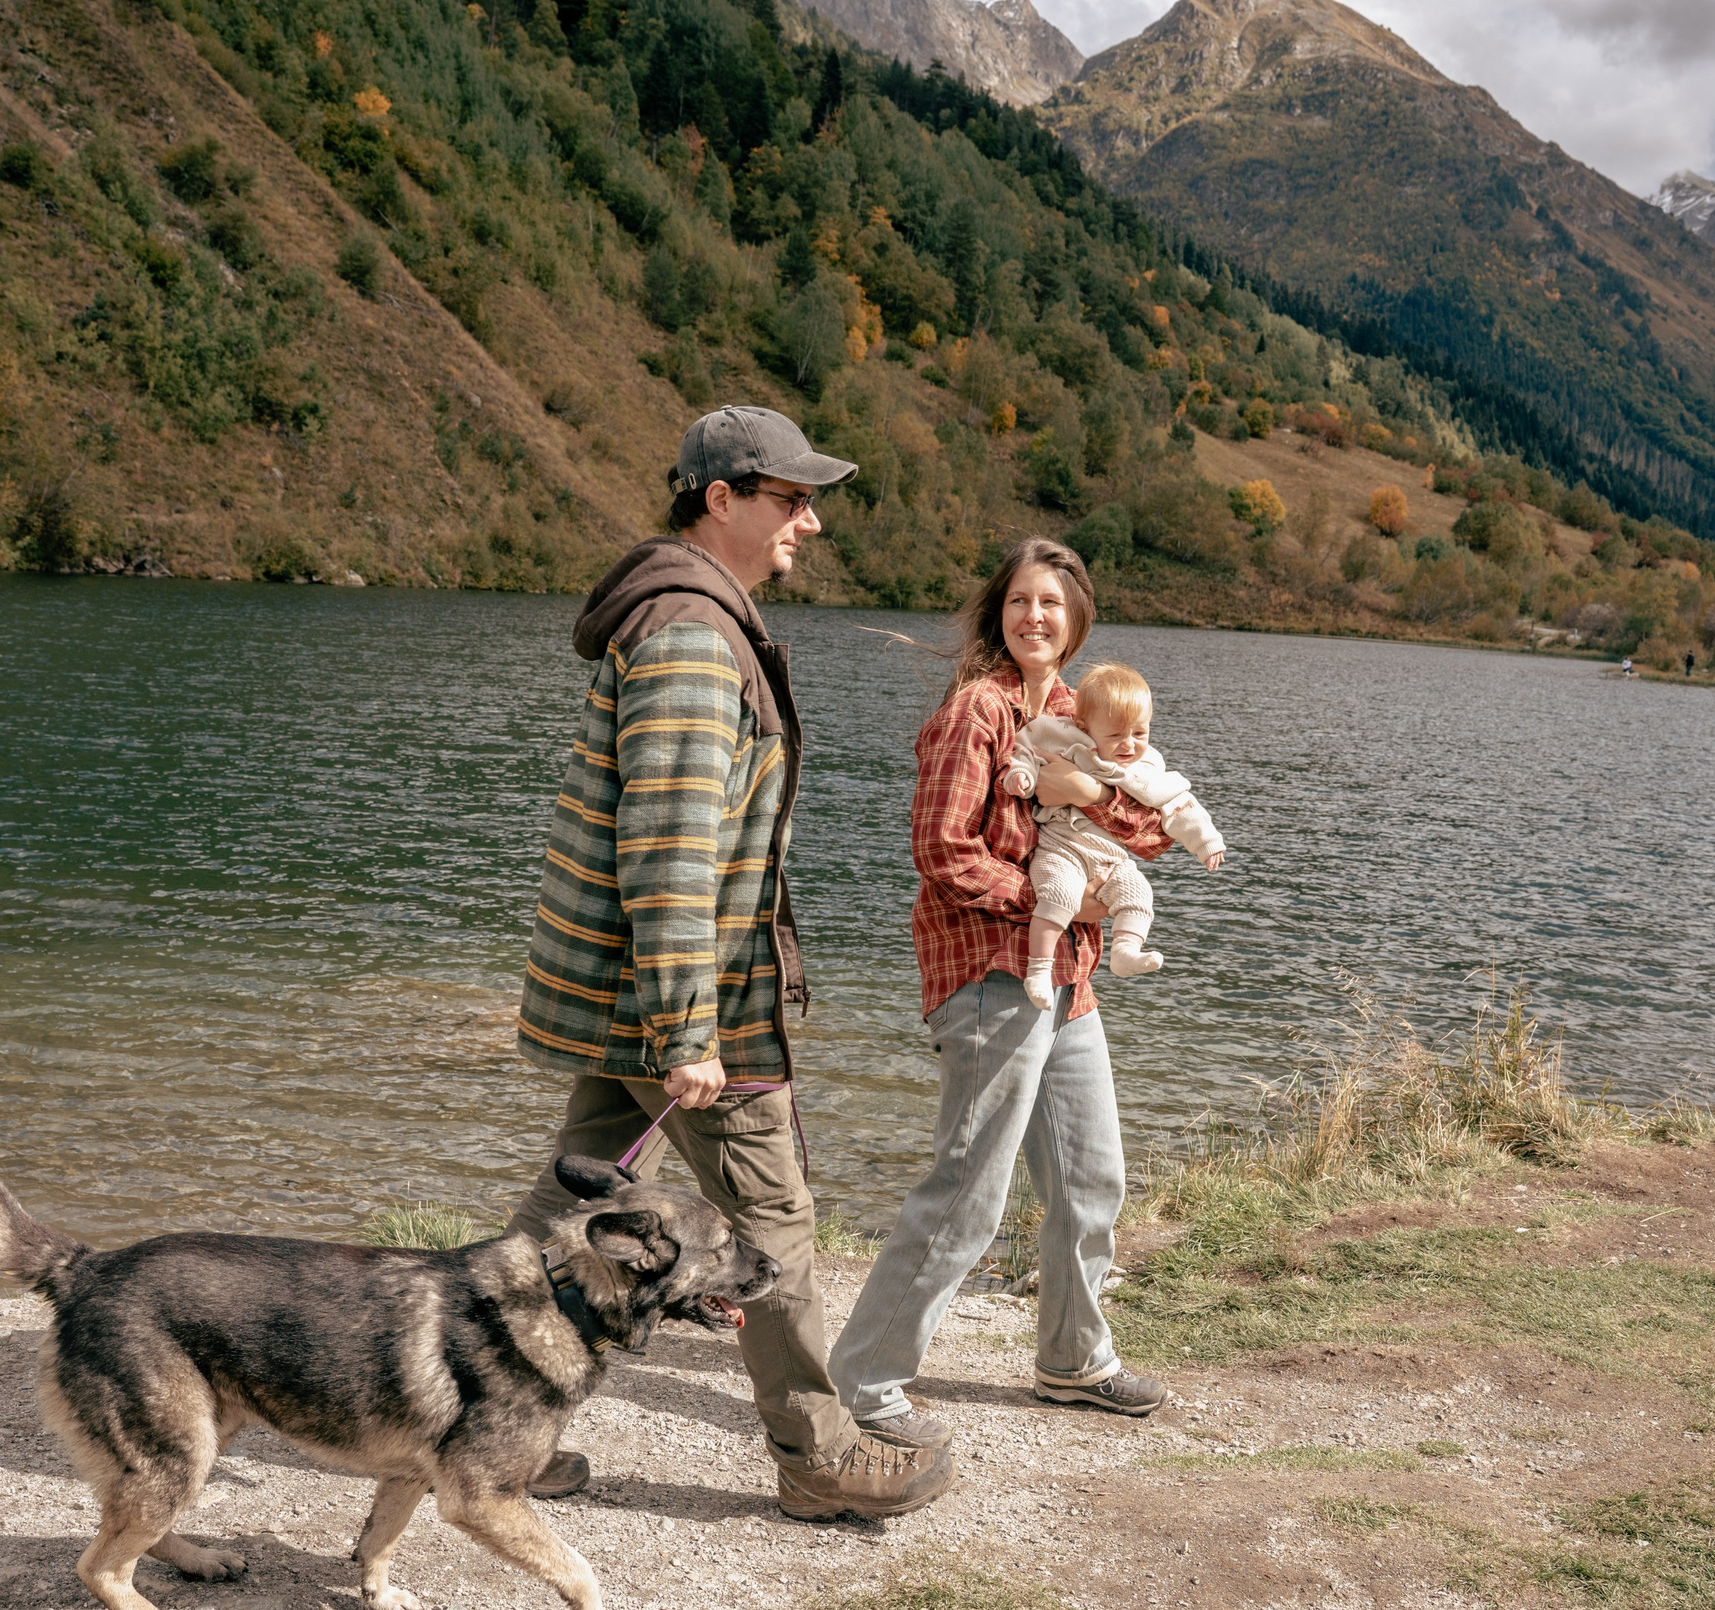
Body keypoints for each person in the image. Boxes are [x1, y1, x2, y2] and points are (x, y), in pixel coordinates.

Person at [505, 405, 959, 1522]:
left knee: (566, 1224)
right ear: (720, 498)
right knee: (772, 1229)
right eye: (789, 497)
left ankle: (484, 1424)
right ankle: (817, 1457)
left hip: (637, 993)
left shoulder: (695, 622)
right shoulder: (694, 642)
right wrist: (685, 1033)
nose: (809, 519)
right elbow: (668, 855)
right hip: (679, 1002)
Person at [828, 539, 1177, 1444]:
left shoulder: (1079, 711)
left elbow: (1154, 829)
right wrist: (1058, 899)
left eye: (1053, 604)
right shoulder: (973, 711)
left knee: (1093, 1178)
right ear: (1000, 612)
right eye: (1021, 600)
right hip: (987, 972)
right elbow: (942, 852)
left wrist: (1082, 798)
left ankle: (1071, 1361)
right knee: (970, 1191)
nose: (1035, 617)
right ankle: (866, 1378)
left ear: (1077, 620)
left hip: (1070, 981)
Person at [999, 662, 1225, 1008]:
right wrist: (1022, 774)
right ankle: (1039, 970)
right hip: (1063, 847)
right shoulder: (1062, 736)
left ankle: (1124, 952)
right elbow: (1027, 748)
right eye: (1116, 735)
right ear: (1084, 726)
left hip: (1113, 858)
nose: (1129, 745)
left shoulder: (1145, 767)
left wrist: (1205, 842)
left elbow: (1178, 805)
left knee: (1139, 894)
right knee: (1059, 895)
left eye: (1139, 733)